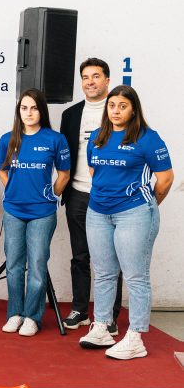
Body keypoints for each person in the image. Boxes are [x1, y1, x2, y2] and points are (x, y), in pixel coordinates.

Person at [79, 86, 173, 359]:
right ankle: (102, 327)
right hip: (98, 212)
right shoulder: (97, 136)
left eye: (122, 106)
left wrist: (145, 206)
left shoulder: (148, 138)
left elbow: (165, 179)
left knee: (135, 276)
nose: (116, 111)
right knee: (104, 273)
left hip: (134, 213)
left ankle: (135, 338)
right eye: (112, 106)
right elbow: (95, 171)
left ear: (133, 110)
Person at [0, 89, 70, 336]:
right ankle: (15, 314)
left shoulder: (55, 139)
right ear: (18, 111)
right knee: (14, 265)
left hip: (42, 212)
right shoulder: (7, 139)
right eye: (24, 108)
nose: (29, 113)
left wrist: (51, 194)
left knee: (37, 265)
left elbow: (64, 174)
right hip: (14, 211)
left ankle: (32, 317)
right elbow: (2, 170)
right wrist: (14, 190)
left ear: (42, 111)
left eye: (34, 108)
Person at [60, 58, 123, 334]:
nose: (90, 82)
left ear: (107, 80)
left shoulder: (119, 111)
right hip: (78, 194)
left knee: (110, 260)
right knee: (80, 256)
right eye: (85, 77)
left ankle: (109, 317)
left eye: (96, 76)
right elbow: (64, 156)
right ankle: (80, 310)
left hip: (111, 197)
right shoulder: (71, 115)